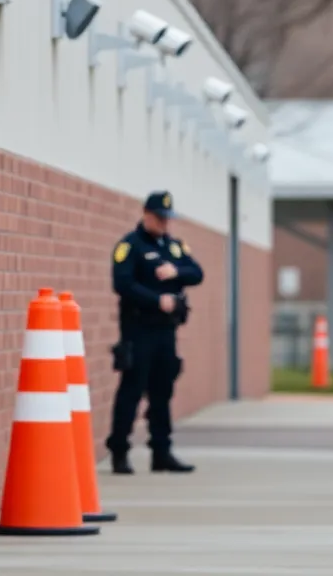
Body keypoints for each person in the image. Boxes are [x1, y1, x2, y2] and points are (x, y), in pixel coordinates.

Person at [105, 191, 204, 475]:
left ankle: (161, 452)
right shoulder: (130, 246)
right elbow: (122, 284)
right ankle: (120, 452)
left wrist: (176, 271)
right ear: (146, 214)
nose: (164, 224)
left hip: (166, 331)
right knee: (132, 391)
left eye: (167, 219)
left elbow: (197, 273)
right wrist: (155, 299)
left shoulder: (173, 247)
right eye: (160, 218)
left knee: (162, 392)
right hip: (138, 330)